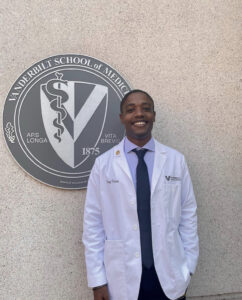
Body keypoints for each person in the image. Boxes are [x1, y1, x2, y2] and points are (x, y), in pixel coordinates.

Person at [82, 90, 199, 300]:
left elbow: (188, 215)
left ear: (154, 115)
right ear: (122, 118)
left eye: (146, 109)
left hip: (170, 276)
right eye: (131, 110)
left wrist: (188, 268)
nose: (139, 114)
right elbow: (93, 225)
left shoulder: (175, 160)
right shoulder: (103, 165)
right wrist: (97, 280)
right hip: (122, 278)